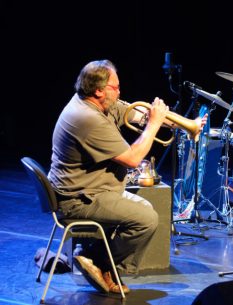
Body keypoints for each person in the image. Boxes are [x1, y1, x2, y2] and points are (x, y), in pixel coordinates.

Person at [48, 59, 207, 294]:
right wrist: (153, 124)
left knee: (144, 209)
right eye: (116, 87)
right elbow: (133, 159)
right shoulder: (87, 118)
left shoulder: (98, 103)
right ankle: (97, 260)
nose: (120, 91)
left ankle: (105, 266)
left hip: (91, 191)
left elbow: (136, 113)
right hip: (79, 201)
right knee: (147, 219)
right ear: (99, 90)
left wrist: (177, 122)